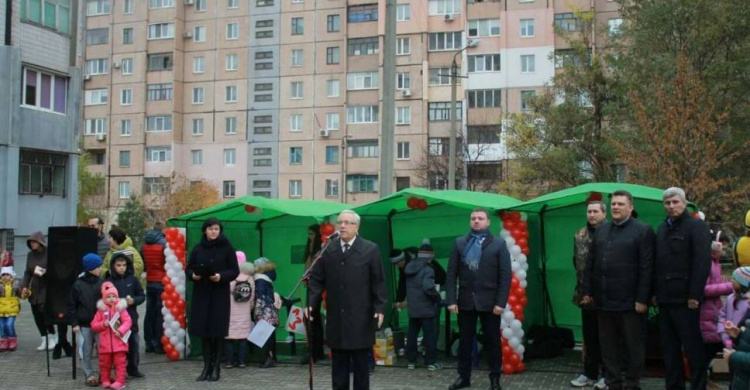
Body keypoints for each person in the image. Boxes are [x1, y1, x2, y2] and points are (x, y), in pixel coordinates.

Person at [582, 190, 655, 390]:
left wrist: (642, 298)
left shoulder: (643, 231)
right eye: (613, 204)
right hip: (604, 302)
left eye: (620, 204)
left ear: (630, 207)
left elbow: (647, 268)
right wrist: (587, 291)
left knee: (633, 347)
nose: (615, 207)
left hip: (631, 303)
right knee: (608, 347)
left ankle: (632, 384)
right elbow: (591, 263)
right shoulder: (602, 230)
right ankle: (612, 382)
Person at [307, 210, 387, 390]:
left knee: (360, 368)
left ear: (356, 227)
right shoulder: (328, 249)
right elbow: (316, 280)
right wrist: (312, 304)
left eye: (347, 222)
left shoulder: (370, 249)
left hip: (360, 317)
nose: (342, 226)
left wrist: (380, 308)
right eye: (340, 222)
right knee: (339, 369)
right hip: (337, 318)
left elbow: (378, 282)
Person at [446, 208, 512, 390]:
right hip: (465, 302)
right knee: (465, 343)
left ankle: (494, 379)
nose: (476, 221)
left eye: (480, 218)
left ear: (488, 222)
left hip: (490, 303)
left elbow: (505, 276)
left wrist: (500, 302)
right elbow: (451, 274)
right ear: (470, 222)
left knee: (493, 343)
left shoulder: (498, 244)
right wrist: (451, 300)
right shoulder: (460, 243)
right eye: (473, 218)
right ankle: (463, 377)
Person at [654, 187, 712, 390]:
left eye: (675, 202)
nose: (671, 206)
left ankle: (698, 386)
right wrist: (655, 292)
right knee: (669, 350)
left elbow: (702, 263)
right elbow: (657, 263)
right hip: (665, 299)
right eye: (667, 203)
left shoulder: (697, 226)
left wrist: (694, 294)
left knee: (692, 349)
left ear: (684, 203)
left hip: (686, 299)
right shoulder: (662, 229)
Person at [186, 217, 239, 382]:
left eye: (216, 229)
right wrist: (192, 275)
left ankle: (216, 368)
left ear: (220, 230)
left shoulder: (227, 247)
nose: (213, 232)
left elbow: (234, 271)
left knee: (217, 332)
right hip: (201, 294)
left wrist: (221, 276)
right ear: (205, 231)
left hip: (219, 294)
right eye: (210, 229)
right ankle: (206, 367)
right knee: (204, 332)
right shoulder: (197, 248)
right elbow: (188, 268)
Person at [570, 201, 607, 389]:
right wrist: (585, 289)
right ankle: (590, 373)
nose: (591, 215)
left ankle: (607, 375)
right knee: (590, 336)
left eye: (595, 211)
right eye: (589, 211)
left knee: (607, 337)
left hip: (607, 295)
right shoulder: (580, 234)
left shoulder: (611, 232)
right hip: (585, 295)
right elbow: (576, 262)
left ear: (604, 213)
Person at [105, 251, 146, 379]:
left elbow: (141, 295)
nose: (122, 267)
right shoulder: (108, 282)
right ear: (113, 266)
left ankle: (133, 368)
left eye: (124, 265)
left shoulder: (133, 280)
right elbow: (103, 299)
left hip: (131, 319)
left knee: (134, 344)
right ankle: (120, 370)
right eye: (118, 265)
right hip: (116, 321)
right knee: (119, 348)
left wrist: (134, 300)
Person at [701, 231, 734, 380]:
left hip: (713, 313)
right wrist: (729, 287)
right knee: (710, 349)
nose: (725, 251)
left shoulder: (715, 262)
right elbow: (704, 289)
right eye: (724, 247)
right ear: (716, 245)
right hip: (706, 314)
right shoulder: (706, 262)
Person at [68, 253, 104, 387]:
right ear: (91, 267)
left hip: (101, 324)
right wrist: (74, 323)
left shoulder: (102, 283)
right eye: (98, 266)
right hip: (85, 324)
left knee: (103, 350)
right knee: (86, 350)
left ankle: (103, 373)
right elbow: (71, 305)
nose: (101, 268)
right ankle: (89, 374)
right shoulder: (78, 285)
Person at [405, 240, 441, 371]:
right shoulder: (428, 269)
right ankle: (431, 362)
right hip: (426, 308)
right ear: (430, 258)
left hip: (413, 308)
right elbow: (428, 287)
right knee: (429, 335)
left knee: (412, 335)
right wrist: (437, 298)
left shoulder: (409, 267)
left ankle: (411, 361)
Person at [21, 231, 59, 352]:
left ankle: (53, 336)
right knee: (36, 313)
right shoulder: (30, 255)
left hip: (47, 287)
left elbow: (56, 269)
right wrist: (24, 286)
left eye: (34, 241)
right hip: (35, 288)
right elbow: (28, 272)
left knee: (45, 312)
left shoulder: (50, 253)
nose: (32, 244)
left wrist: (45, 272)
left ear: (40, 242)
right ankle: (44, 338)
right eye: (30, 242)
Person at [91, 281, 132, 390]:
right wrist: (102, 324)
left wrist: (121, 330)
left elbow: (128, 322)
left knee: (120, 364)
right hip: (105, 345)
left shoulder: (121, 309)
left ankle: (120, 381)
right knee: (104, 364)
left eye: (114, 296)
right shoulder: (100, 311)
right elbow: (93, 325)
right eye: (108, 296)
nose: (111, 298)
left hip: (119, 343)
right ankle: (105, 380)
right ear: (104, 298)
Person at [224, 252, 255, 369]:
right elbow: (252, 296)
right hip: (244, 312)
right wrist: (249, 307)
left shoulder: (229, 276)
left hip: (230, 312)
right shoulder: (249, 278)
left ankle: (229, 362)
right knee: (243, 338)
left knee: (229, 339)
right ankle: (242, 362)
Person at [300, 224, 325, 364]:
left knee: (312, 317)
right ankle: (316, 351)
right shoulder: (310, 250)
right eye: (308, 234)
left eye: (312, 234)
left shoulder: (319, 250)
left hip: (316, 287)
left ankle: (314, 352)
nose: (309, 237)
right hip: (310, 286)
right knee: (312, 318)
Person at [141, 222, 167, 354]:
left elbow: (143, 263)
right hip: (161, 281)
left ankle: (148, 343)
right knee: (159, 314)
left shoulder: (144, 243)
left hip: (150, 281)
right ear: (162, 230)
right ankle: (158, 343)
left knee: (149, 313)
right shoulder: (164, 243)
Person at [253, 256, 281, 368]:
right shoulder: (268, 279)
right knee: (271, 334)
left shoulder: (259, 279)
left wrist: (257, 310)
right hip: (271, 310)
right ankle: (273, 357)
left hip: (263, 311)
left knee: (264, 336)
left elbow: (260, 296)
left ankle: (267, 358)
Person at [0, 264, 23, 351]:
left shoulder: (15, 285)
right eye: (3, 275)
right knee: (2, 326)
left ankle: (12, 339)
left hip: (12, 308)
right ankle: (4, 341)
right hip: (1, 309)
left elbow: (21, 295)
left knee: (9, 325)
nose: (5, 277)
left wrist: (25, 293)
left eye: (7, 275)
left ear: (11, 276)